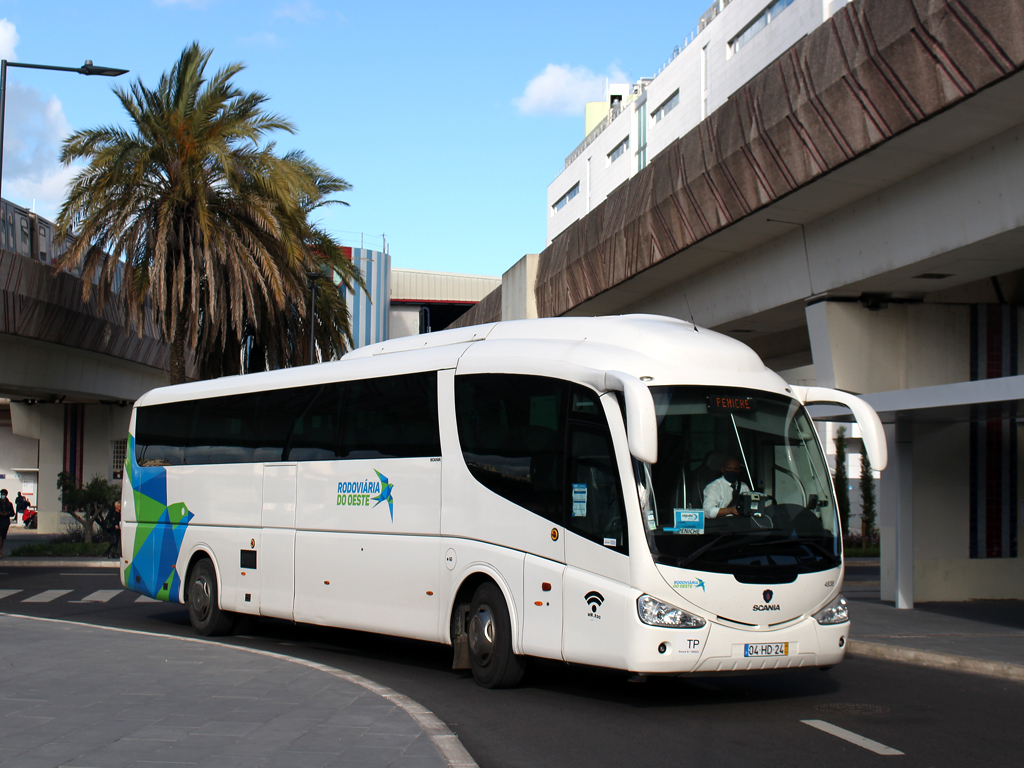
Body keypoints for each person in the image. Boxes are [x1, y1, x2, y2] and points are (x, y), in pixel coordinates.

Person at [0, 489, 15, 558]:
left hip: (5, 522)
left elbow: (12, 513)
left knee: (2, 537)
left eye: (4, 494)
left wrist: (7, 514)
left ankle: (0, 550)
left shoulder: (9, 504)